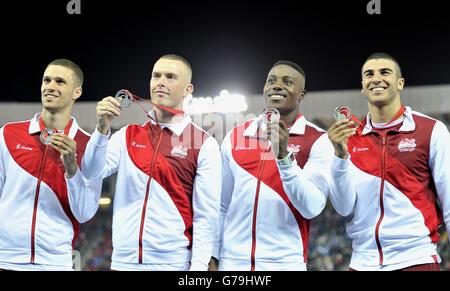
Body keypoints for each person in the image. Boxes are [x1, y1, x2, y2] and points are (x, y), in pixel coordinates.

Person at [81, 54, 221, 271]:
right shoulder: (127, 135)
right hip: (123, 264)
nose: (161, 82)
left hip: (173, 265)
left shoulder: (204, 144)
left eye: (171, 77)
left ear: (188, 89)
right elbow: (90, 172)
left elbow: (206, 216)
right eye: (156, 76)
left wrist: (199, 269)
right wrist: (101, 130)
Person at [328, 52, 450, 271]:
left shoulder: (431, 131)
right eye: (369, 74)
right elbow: (343, 207)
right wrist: (340, 155)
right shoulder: (349, 137)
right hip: (362, 262)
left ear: (400, 83)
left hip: (415, 259)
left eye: (385, 72)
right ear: (363, 85)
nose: (376, 78)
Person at [212, 60, 334, 271]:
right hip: (232, 264)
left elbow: (312, 207)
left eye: (288, 82)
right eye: (271, 81)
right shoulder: (236, 136)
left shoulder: (317, 140)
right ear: (264, 89)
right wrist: (213, 255)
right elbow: (221, 206)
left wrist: (283, 156)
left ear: (302, 94)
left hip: (284, 264)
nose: (277, 86)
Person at [0, 59, 102, 271]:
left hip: (54, 264)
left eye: (60, 81)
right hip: (5, 259)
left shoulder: (89, 146)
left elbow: (85, 213)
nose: (50, 87)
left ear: (77, 92)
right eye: (47, 80)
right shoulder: (8, 134)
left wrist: (72, 168)